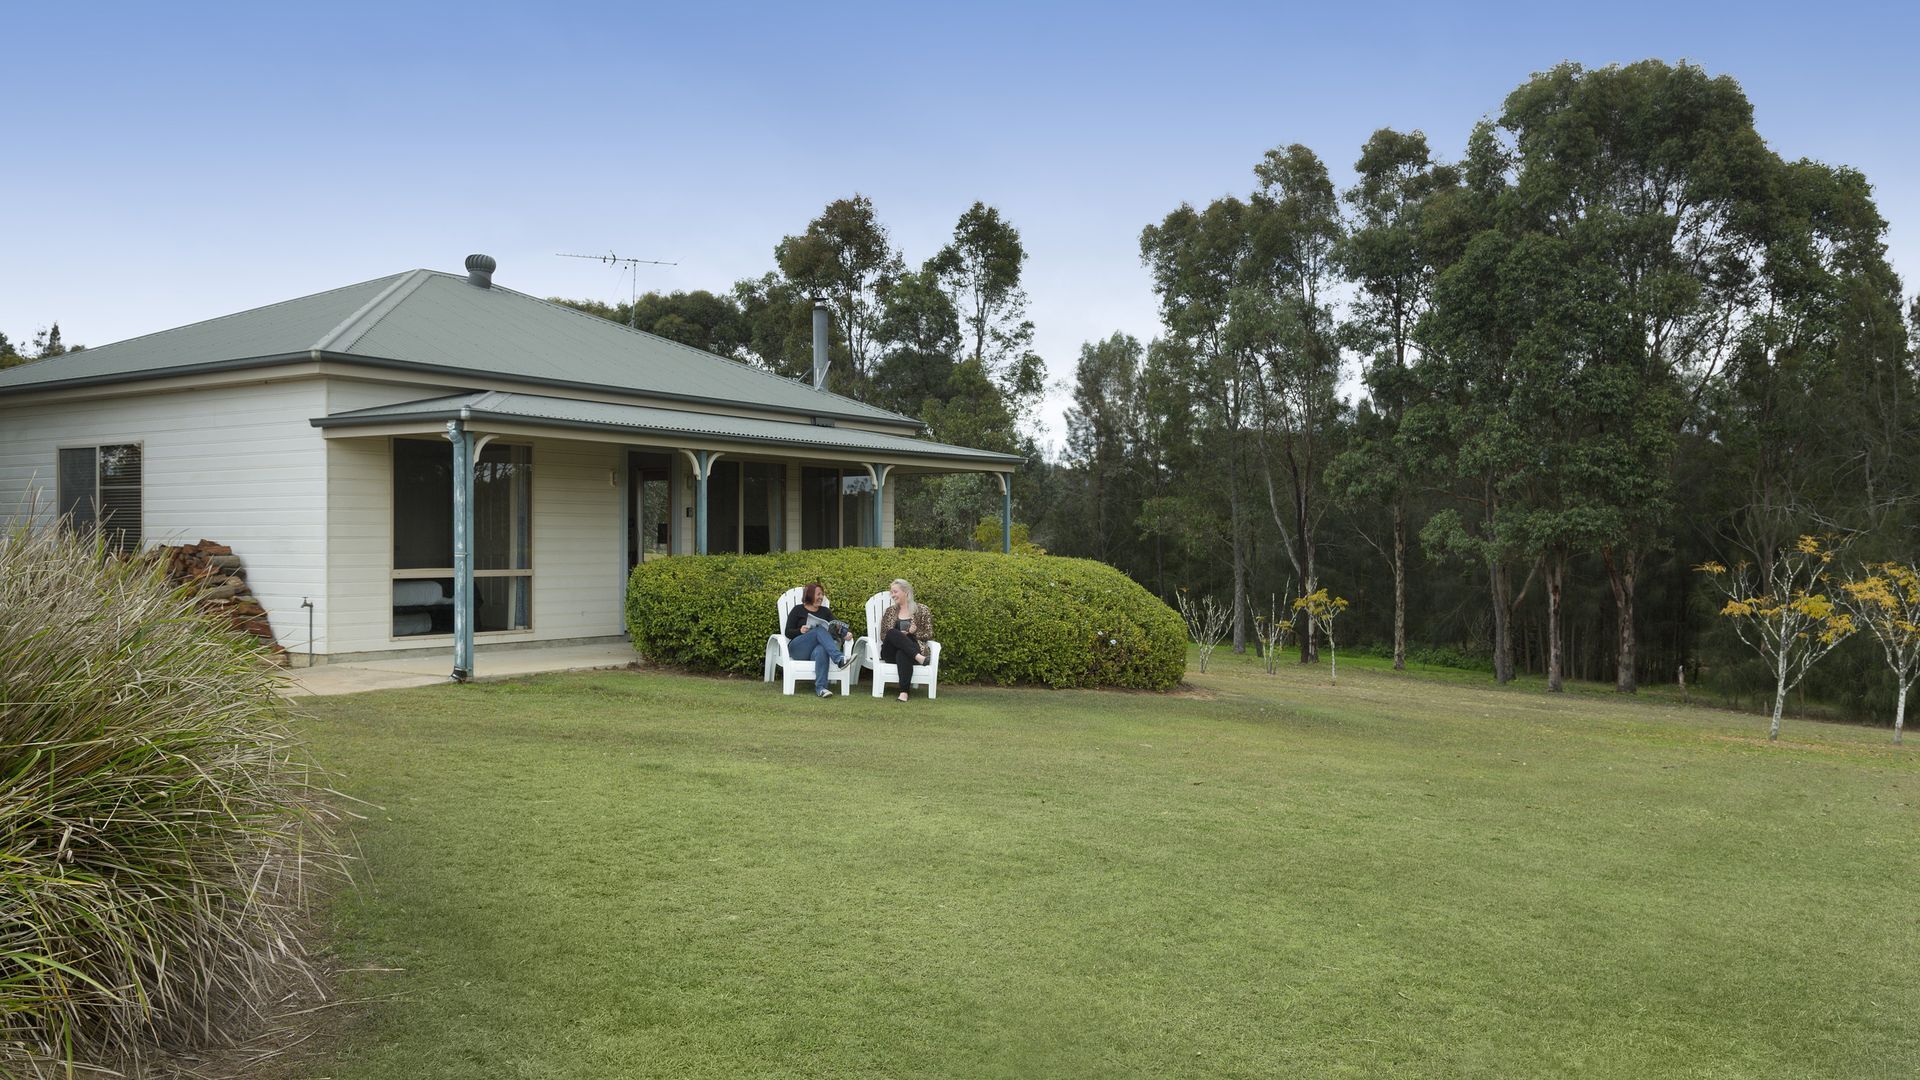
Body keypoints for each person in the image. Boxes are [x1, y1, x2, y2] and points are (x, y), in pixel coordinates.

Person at [784, 582, 849, 698]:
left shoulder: (826, 612)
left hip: (814, 652)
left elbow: (835, 628)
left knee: (822, 649)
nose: (821, 597)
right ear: (809, 595)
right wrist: (800, 630)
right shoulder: (798, 610)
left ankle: (821, 688)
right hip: (798, 649)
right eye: (818, 594)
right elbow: (787, 632)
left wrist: (845, 634)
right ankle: (839, 658)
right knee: (819, 630)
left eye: (822, 594)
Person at [877, 578, 932, 702]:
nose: (892, 595)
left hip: (910, 648)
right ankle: (919, 657)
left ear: (906, 592)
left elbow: (929, 634)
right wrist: (899, 635)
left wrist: (914, 632)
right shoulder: (890, 611)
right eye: (891, 592)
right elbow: (883, 635)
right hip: (890, 651)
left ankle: (904, 693)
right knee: (892, 632)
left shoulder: (922, 610)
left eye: (895, 592)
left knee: (903, 653)